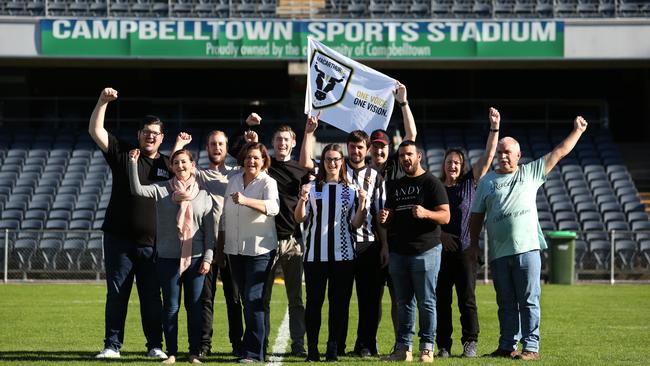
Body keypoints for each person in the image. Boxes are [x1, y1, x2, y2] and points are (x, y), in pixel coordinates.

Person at [470, 116, 588, 361]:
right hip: (499, 253)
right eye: (500, 152)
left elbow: (559, 152)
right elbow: (476, 218)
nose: (503, 156)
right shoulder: (486, 182)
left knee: (529, 301)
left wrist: (577, 130)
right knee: (505, 303)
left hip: (528, 251)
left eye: (508, 152)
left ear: (518, 155)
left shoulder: (530, 172)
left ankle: (530, 347)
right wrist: (473, 245)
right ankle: (506, 346)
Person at [88, 87, 168, 359]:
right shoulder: (124, 153)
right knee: (117, 295)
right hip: (119, 240)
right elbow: (96, 131)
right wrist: (102, 102)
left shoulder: (168, 166)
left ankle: (155, 346)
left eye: (155, 133)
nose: (150, 136)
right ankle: (112, 346)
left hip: (153, 244)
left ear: (161, 138)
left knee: (151, 298)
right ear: (139, 135)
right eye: (146, 132)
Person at [299, 115, 387, 358]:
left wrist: (384, 245)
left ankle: (365, 345)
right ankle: (335, 346)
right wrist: (309, 132)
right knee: (331, 302)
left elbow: (377, 213)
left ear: (366, 149)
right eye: (352, 147)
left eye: (360, 147)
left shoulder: (374, 177)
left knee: (366, 300)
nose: (356, 151)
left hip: (365, 243)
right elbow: (307, 162)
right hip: (331, 247)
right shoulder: (334, 169)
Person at [230, 113, 308, 357]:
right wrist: (247, 127)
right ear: (272, 143)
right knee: (260, 300)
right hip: (267, 240)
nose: (282, 143)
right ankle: (260, 347)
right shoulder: (265, 166)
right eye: (278, 140)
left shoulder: (302, 170)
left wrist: (310, 133)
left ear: (293, 143)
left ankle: (298, 345)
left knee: (295, 298)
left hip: (293, 240)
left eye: (286, 139)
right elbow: (237, 150)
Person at [128, 148, 214, 364]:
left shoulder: (204, 195)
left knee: (194, 307)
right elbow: (136, 189)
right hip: (167, 258)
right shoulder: (161, 190)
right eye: (176, 163)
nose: (180, 166)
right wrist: (132, 163)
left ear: (192, 165)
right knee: (171, 307)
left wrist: (207, 258)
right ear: (172, 167)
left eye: (184, 162)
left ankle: (194, 353)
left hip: (195, 259)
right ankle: (172, 352)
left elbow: (210, 233)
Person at [435, 107, 500, 359]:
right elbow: (429, 220)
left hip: (464, 251)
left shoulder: (469, 182)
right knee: (442, 301)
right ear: (443, 164)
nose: (452, 165)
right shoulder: (436, 186)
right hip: (440, 253)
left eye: (457, 162)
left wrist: (494, 128)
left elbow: (488, 156)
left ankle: (470, 342)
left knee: (467, 300)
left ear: (461, 166)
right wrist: (440, 235)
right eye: (449, 161)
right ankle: (443, 345)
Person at [172, 131, 244, 358]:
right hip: (208, 245)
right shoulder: (199, 174)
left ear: (226, 147)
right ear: (207, 147)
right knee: (206, 299)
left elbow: (252, 160)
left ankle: (238, 344)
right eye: (213, 144)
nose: (217, 148)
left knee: (234, 298)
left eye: (221, 144)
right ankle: (204, 346)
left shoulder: (236, 173)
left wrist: (248, 135)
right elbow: (177, 165)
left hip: (232, 242)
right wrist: (179, 144)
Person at [294, 143, 368, 362]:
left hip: (343, 256)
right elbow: (300, 218)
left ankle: (332, 349)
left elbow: (355, 223)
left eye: (336, 159)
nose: (332, 163)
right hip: (315, 256)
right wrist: (302, 199)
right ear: (323, 162)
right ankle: (313, 349)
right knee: (314, 303)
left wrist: (363, 203)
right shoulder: (311, 186)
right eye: (328, 159)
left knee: (339, 305)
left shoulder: (351, 189)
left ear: (342, 162)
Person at [379, 140, 450, 363]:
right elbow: (390, 219)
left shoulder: (431, 182)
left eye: (409, 154)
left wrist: (427, 213)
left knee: (426, 301)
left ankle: (427, 348)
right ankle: (403, 349)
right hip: (399, 252)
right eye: (401, 156)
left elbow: (445, 216)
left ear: (418, 156)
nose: (405, 159)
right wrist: (385, 219)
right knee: (403, 302)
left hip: (426, 250)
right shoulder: (396, 185)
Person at [221, 142, 280, 363]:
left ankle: (253, 353)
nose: (251, 161)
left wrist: (246, 201)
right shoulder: (234, 179)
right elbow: (227, 214)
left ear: (264, 160)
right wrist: (222, 246)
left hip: (260, 249)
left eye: (256, 158)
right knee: (248, 301)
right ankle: (258, 348)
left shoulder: (268, 182)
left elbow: (274, 208)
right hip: (235, 250)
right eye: (247, 157)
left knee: (253, 298)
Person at [367, 82, 416, 344]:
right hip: (370, 242)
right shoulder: (362, 171)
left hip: (397, 242)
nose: (379, 150)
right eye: (374, 146)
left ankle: (401, 343)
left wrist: (403, 103)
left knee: (399, 296)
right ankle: (369, 344)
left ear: (389, 147)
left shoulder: (397, 166)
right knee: (372, 298)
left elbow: (411, 134)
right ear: (370, 149)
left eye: (382, 146)